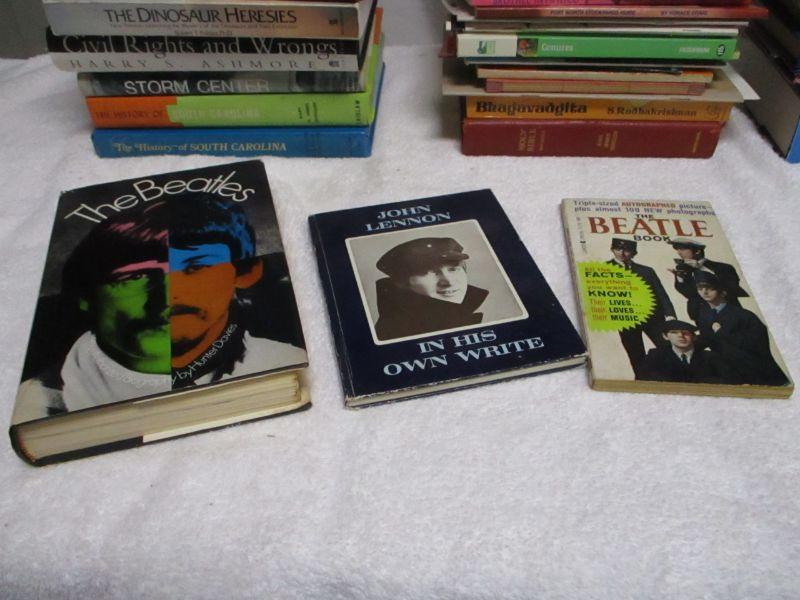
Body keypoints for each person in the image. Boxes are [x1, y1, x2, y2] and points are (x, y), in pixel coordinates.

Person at [15, 194, 305, 421]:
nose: (168, 297)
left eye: (195, 267)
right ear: (85, 294)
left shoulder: (286, 362)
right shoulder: (38, 405)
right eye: (134, 277)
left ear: (244, 273)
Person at [373, 237, 488, 341]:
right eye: (429, 272)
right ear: (402, 282)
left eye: (453, 269)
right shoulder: (396, 332)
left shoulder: (445, 318)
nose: (449, 282)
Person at [693, 271, 788, 386]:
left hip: (755, 370)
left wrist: (721, 332)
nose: (704, 292)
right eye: (700, 289)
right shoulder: (704, 314)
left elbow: (757, 343)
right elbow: (707, 339)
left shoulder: (743, 315)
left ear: (723, 292)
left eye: (710, 288)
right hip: (727, 370)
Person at [606, 238, 676, 377]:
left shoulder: (646, 271)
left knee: (668, 347)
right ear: (612, 249)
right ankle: (643, 381)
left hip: (653, 318)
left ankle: (676, 377)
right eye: (618, 249)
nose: (622, 253)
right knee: (636, 355)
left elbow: (661, 294)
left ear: (634, 253)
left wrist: (670, 315)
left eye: (626, 250)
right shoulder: (602, 269)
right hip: (626, 319)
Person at [668, 237, 747, 321]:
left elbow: (732, 289)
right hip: (701, 315)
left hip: (729, 312)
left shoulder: (724, 267)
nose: (679, 252)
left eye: (682, 249)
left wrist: (700, 268)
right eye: (677, 249)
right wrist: (680, 277)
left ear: (697, 251)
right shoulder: (683, 269)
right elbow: (687, 293)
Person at [638, 320, 734, 384]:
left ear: (694, 337)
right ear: (665, 336)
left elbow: (729, 380)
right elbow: (643, 380)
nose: (681, 335)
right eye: (674, 332)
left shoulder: (710, 357)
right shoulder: (655, 356)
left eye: (686, 333)